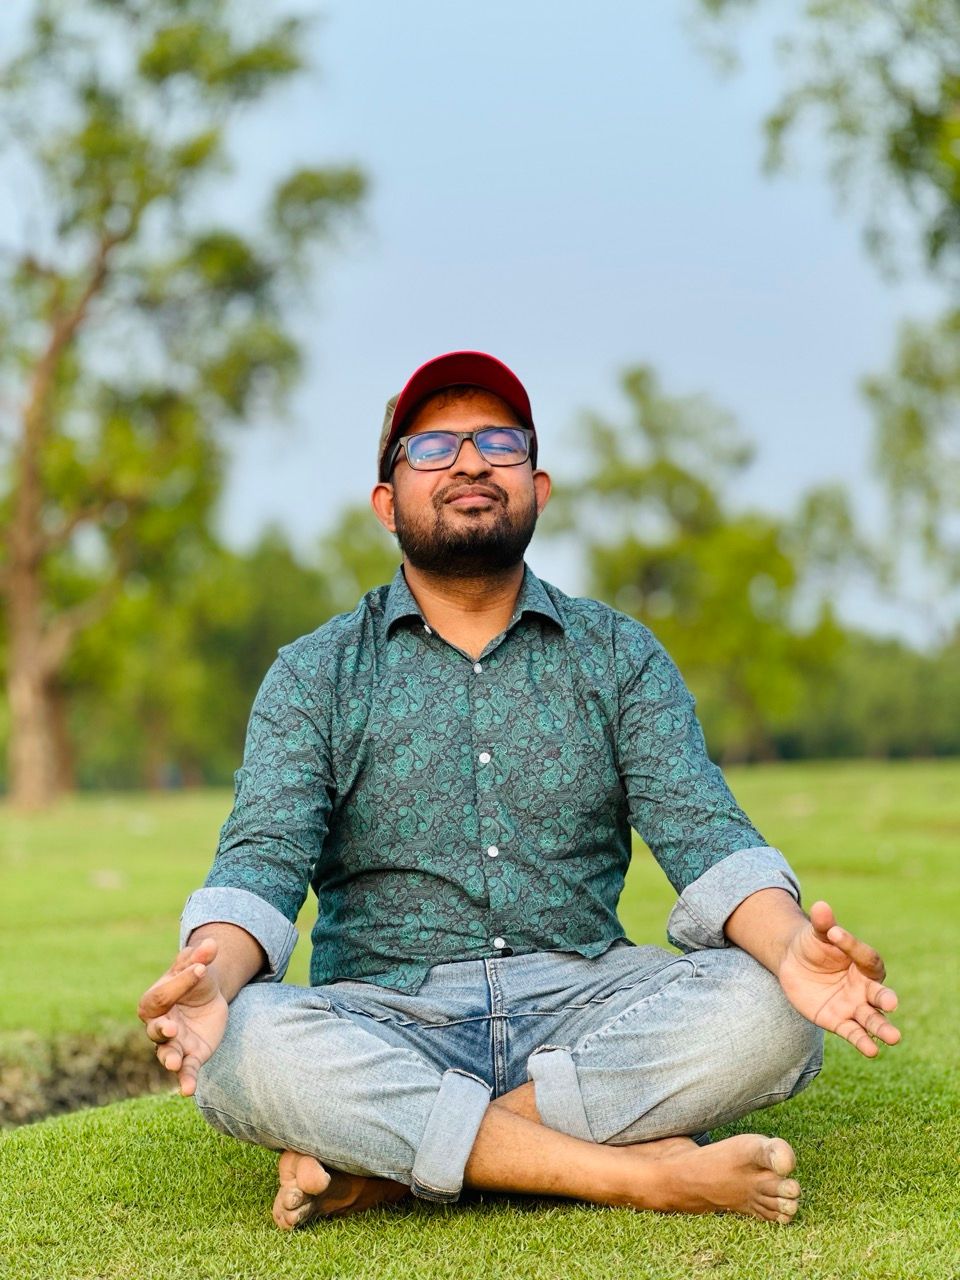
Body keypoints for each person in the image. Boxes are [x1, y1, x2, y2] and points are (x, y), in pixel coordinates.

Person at [138, 350, 901, 1230]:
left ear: (536, 486)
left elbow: (707, 836)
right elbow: (261, 863)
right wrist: (210, 976)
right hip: (390, 1014)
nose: (469, 462)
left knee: (774, 1008)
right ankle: (634, 1176)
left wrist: (791, 947)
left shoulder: (618, 656)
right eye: (433, 447)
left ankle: (387, 1171)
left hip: (586, 1003)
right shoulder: (315, 675)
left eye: (498, 442)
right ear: (387, 502)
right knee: (246, 1042)